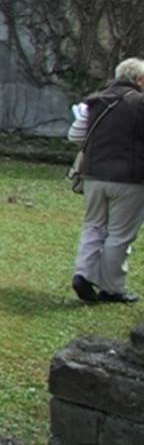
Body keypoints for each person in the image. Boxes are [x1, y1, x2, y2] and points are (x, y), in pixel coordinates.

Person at [70, 57, 144, 304]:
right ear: (139, 80)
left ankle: (82, 274)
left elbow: (76, 134)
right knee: (120, 234)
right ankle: (111, 288)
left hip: (93, 175)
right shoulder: (140, 103)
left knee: (93, 226)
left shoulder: (95, 101)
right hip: (129, 179)